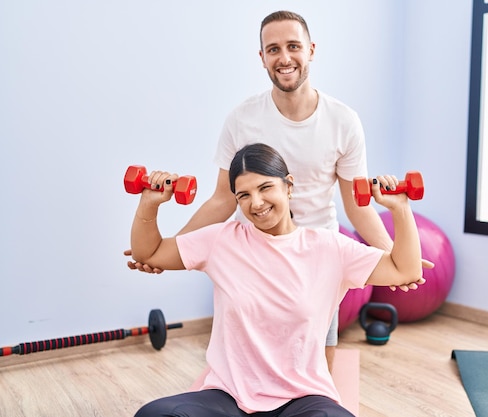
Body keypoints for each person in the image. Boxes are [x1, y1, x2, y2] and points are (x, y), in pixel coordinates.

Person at [125, 10, 433, 370]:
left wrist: (392, 259)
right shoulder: (242, 119)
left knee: (317, 369)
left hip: (318, 260)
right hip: (254, 256)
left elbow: (357, 206)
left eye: (293, 46)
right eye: (273, 49)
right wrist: (168, 249)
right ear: (262, 58)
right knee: (249, 362)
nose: (284, 58)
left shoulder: (343, 121)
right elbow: (224, 199)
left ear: (311, 50)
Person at [131, 143, 425, 417]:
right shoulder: (221, 240)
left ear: (289, 186)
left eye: (265, 187)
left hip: (302, 398)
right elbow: (152, 252)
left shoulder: (330, 247)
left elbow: (405, 270)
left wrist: (400, 207)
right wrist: (150, 202)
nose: (256, 203)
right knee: (154, 415)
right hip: (229, 397)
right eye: (243, 195)